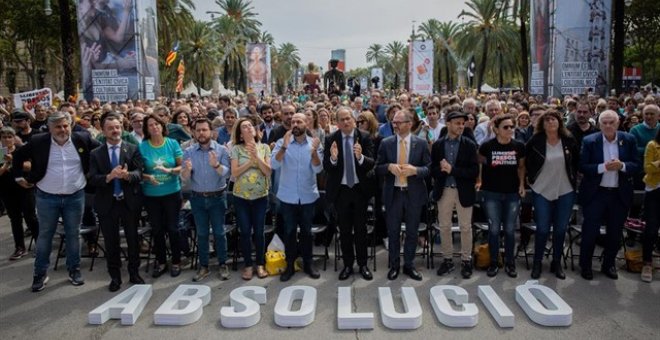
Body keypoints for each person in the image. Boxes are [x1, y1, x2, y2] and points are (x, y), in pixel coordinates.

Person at [12, 111, 100, 292]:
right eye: (58, 126)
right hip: (46, 197)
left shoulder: (82, 139)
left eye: (66, 125)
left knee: (73, 234)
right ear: (50, 128)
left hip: (75, 196)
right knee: (45, 236)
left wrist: (92, 174)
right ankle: (40, 274)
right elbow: (18, 156)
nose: (63, 130)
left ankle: (74, 270)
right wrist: (18, 177)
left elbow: (101, 152)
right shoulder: (38, 142)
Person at [578, 110, 641, 280]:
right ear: (599, 124)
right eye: (604, 122)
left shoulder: (628, 140)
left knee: (615, 233)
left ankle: (609, 264)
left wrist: (622, 166)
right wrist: (603, 167)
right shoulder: (590, 141)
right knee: (590, 232)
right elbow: (582, 166)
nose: (607, 125)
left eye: (611, 122)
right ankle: (585, 265)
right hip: (596, 194)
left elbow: (636, 165)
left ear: (618, 123)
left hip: (618, 195)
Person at [88, 113, 145, 291]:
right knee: (111, 242)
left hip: (129, 202)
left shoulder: (132, 148)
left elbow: (140, 173)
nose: (115, 131)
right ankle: (115, 276)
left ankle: (134, 272)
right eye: (111, 128)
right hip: (108, 203)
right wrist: (109, 177)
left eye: (118, 127)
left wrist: (128, 175)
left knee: (132, 239)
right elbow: (91, 178)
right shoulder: (96, 153)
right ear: (103, 131)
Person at [376, 109, 431, 281]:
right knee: (393, 232)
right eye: (393, 122)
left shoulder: (420, 143)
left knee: (412, 232)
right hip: (394, 194)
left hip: (413, 194)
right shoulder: (386, 143)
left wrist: (415, 170)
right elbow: (377, 168)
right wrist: (388, 167)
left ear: (409, 124)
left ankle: (409, 264)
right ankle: (394, 265)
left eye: (398, 122)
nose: (395, 125)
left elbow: (429, 169)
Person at [525, 110, 580, 280]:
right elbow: (527, 162)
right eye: (547, 120)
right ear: (542, 123)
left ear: (559, 122)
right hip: (542, 189)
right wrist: (531, 180)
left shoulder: (569, 140)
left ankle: (556, 262)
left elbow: (576, 162)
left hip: (565, 189)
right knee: (542, 229)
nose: (551, 122)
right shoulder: (535, 141)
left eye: (554, 119)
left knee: (560, 229)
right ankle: (537, 262)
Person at [324, 107, 375, 281]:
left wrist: (360, 157)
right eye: (342, 119)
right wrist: (333, 158)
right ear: (337, 122)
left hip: (360, 190)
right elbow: (327, 167)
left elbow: (371, 163)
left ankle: (362, 264)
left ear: (353, 120)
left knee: (361, 230)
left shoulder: (365, 137)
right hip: (342, 191)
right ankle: (347, 265)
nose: (346, 122)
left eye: (348, 118)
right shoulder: (331, 139)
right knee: (344, 231)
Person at [271, 113, 324, 282]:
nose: (295, 124)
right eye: (293, 121)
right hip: (288, 197)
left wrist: (314, 151)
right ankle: (290, 265)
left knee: (307, 233)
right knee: (289, 232)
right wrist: (284, 147)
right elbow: (274, 164)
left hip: (307, 196)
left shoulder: (314, 143)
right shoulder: (281, 143)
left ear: (306, 124)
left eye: (299, 121)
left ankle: (308, 263)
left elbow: (317, 169)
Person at [181, 118, 232, 282]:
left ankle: (223, 263)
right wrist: (187, 171)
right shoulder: (189, 152)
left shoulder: (222, 150)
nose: (201, 133)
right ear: (194, 132)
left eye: (204, 130)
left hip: (217, 197)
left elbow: (227, 173)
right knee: (202, 233)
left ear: (212, 132)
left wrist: (216, 165)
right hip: (197, 198)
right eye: (198, 130)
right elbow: (184, 178)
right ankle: (204, 266)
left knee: (219, 232)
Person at [431, 111, 479, 279]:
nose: (461, 126)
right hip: (444, 189)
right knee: (444, 227)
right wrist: (443, 171)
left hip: (463, 191)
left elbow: (474, 171)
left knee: (465, 227)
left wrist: (453, 170)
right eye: (457, 123)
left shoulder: (470, 144)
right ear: (448, 123)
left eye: (462, 123)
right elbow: (433, 170)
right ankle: (447, 259)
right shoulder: (438, 145)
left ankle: (466, 260)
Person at [478, 114, 526, 278]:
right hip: (491, 193)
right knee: (493, 229)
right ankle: (493, 262)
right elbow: (480, 164)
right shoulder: (487, 146)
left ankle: (510, 263)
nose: (510, 130)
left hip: (512, 193)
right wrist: (479, 181)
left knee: (510, 230)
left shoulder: (519, 146)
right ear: (496, 129)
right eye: (506, 127)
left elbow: (521, 167)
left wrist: (521, 185)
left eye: (512, 126)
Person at [139, 114, 184, 279]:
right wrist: (147, 177)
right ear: (147, 129)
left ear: (162, 126)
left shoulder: (172, 143)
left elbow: (181, 166)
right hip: (151, 195)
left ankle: (177, 261)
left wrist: (170, 171)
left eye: (156, 124)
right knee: (157, 229)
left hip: (172, 192)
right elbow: (138, 171)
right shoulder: (142, 146)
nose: (154, 127)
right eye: (150, 125)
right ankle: (161, 260)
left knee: (173, 228)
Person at [230, 117, 272, 280]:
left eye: (250, 126)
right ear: (240, 134)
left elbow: (267, 171)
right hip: (241, 197)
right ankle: (248, 265)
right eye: (244, 127)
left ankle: (260, 264)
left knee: (259, 232)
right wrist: (251, 162)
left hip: (260, 197)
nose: (249, 128)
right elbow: (235, 173)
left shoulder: (265, 147)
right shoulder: (236, 149)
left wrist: (257, 157)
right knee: (245, 232)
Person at [0, 126, 39, 260]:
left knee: (30, 217)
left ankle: (40, 244)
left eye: (9, 137)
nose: (7, 139)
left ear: (14, 138)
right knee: (15, 219)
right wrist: (5, 164)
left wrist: (13, 160)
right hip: (7, 190)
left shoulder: (21, 150)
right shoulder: (0, 153)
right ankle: (20, 247)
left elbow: (30, 166)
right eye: (4, 137)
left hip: (25, 188)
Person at [641, 129, 660, 282]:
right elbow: (647, 168)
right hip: (654, 190)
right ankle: (647, 263)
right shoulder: (653, 145)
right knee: (651, 229)